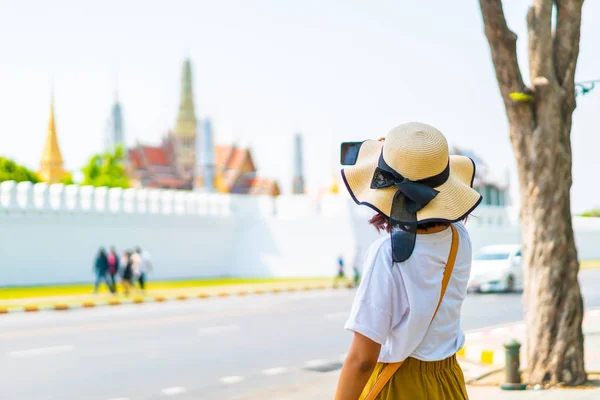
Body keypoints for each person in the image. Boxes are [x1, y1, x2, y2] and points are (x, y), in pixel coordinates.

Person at [334, 122, 482, 400]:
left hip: (399, 384)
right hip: (448, 380)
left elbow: (363, 359)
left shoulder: (387, 255)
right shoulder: (459, 237)